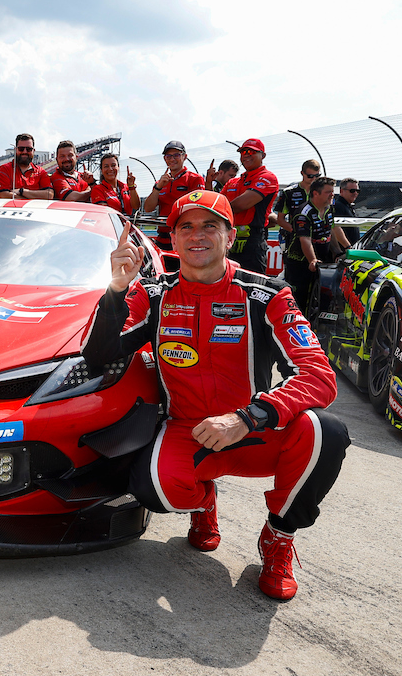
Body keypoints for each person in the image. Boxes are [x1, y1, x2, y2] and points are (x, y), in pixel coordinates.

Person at [82, 189, 350, 600]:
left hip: (255, 429)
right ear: (173, 239)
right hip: (188, 431)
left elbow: (319, 376)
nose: (197, 235)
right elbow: (98, 355)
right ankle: (204, 501)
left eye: (210, 225)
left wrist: (248, 417)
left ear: (230, 236)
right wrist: (116, 290)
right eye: (186, 226)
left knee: (325, 431)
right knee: (153, 490)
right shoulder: (153, 294)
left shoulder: (267, 295)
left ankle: (279, 537)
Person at [284, 177, 353, 315]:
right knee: (299, 300)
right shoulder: (304, 212)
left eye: (332, 191)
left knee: (323, 299)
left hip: (321, 262)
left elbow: (331, 230)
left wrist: (341, 250)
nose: (332, 195)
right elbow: (305, 240)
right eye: (328, 192)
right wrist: (312, 260)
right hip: (300, 263)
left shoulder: (329, 208)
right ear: (315, 193)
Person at [222, 139, 280, 274]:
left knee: (253, 282)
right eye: (243, 152)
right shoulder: (233, 181)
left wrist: (219, 207)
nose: (247, 155)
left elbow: (241, 204)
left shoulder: (267, 177)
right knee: (226, 280)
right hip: (228, 239)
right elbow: (216, 201)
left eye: (252, 152)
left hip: (252, 241)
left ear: (263, 156)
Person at [142, 140, 204, 250]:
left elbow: (198, 208)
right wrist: (158, 187)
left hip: (185, 238)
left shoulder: (194, 178)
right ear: (165, 159)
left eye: (176, 155)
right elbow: (148, 208)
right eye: (168, 156)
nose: (172, 159)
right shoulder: (160, 182)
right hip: (162, 238)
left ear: (185, 157)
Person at [270, 159, 321, 247]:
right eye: (310, 176)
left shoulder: (323, 192)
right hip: (295, 240)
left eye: (317, 176)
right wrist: (297, 232)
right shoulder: (288, 192)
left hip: (318, 239)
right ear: (302, 173)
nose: (314, 179)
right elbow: (280, 220)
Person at [0, 134, 53, 199]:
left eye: (29, 149)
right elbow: (3, 195)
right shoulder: (4, 169)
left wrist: (22, 191)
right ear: (15, 150)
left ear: (33, 151)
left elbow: (49, 195)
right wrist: (35, 197)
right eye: (21, 149)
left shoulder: (41, 172)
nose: (25, 152)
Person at [332, 178, 361, 247]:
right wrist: (348, 247)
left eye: (357, 191)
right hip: (344, 250)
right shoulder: (338, 206)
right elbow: (335, 228)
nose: (355, 193)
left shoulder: (348, 206)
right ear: (341, 191)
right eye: (352, 191)